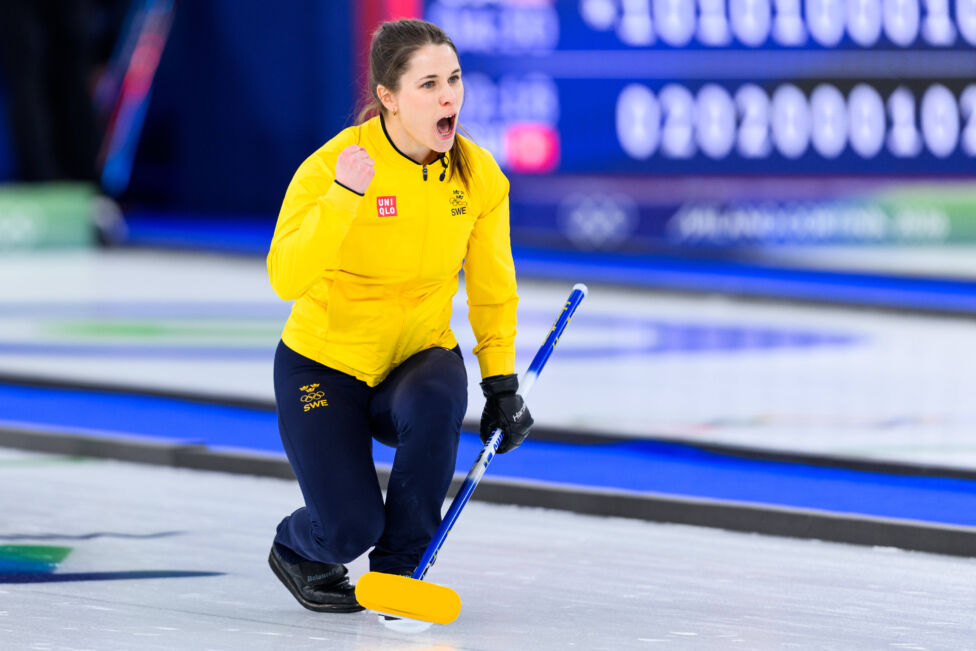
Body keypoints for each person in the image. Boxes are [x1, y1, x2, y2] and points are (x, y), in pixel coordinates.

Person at [265, 18, 533, 613]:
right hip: (324, 365)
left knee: (441, 390)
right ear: (387, 97)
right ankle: (298, 547)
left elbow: (493, 287)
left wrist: (502, 383)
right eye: (429, 84)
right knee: (348, 529)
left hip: (414, 358)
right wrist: (343, 197)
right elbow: (285, 277)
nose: (449, 97)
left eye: (455, 80)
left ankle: (401, 567)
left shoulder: (477, 174)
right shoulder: (332, 165)